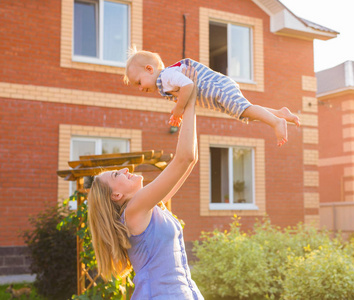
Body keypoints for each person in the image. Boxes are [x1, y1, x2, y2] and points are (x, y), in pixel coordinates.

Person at [87, 67, 204, 299]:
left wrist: (188, 97)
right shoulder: (134, 210)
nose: (124, 169)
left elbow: (191, 161)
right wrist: (187, 99)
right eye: (116, 175)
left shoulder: (151, 208)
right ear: (116, 196)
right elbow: (184, 158)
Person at [123, 48, 301, 147]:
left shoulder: (166, 76)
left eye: (138, 82)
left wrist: (178, 110)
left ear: (149, 69)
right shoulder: (164, 82)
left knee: (245, 110)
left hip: (217, 88)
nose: (139, 88)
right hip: (217, 93)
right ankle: (280, 113)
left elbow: (189, 85)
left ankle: (276, 122)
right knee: (246, 112)